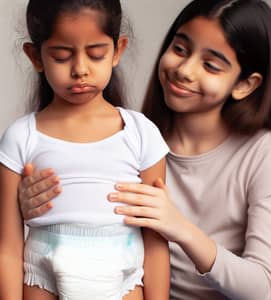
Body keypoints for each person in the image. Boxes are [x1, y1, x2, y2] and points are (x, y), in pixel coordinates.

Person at [16, 0, 271, 299]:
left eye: (210, 65)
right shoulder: (136, 138)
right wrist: (23, 203)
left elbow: (262, 288)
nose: (185, 70)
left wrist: (179, 227)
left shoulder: (263, 152)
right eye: (180, 49)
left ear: (244, 84)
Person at [0, 0, 171, 299]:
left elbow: (156, 243)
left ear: (117, 51)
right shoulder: (20, 138)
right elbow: (8, 247)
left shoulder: (142, 135)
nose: (80, 69)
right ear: (35, 56)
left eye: (96, 54)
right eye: (62, 56)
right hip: (43, 273)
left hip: (123, 276)